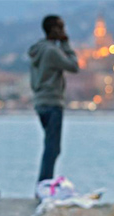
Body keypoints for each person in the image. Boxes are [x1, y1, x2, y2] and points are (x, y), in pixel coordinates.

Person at [29, 15, 79, 183]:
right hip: (52, 102)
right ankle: (43, 184)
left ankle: (44, 183)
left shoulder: (39, 49)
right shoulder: (51, 51)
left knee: (50, 145)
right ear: (54, 30)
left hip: (40, 102)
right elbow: (73, 66)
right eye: (62, 28)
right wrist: (66, 44)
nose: (64, 31)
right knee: (52, 148)